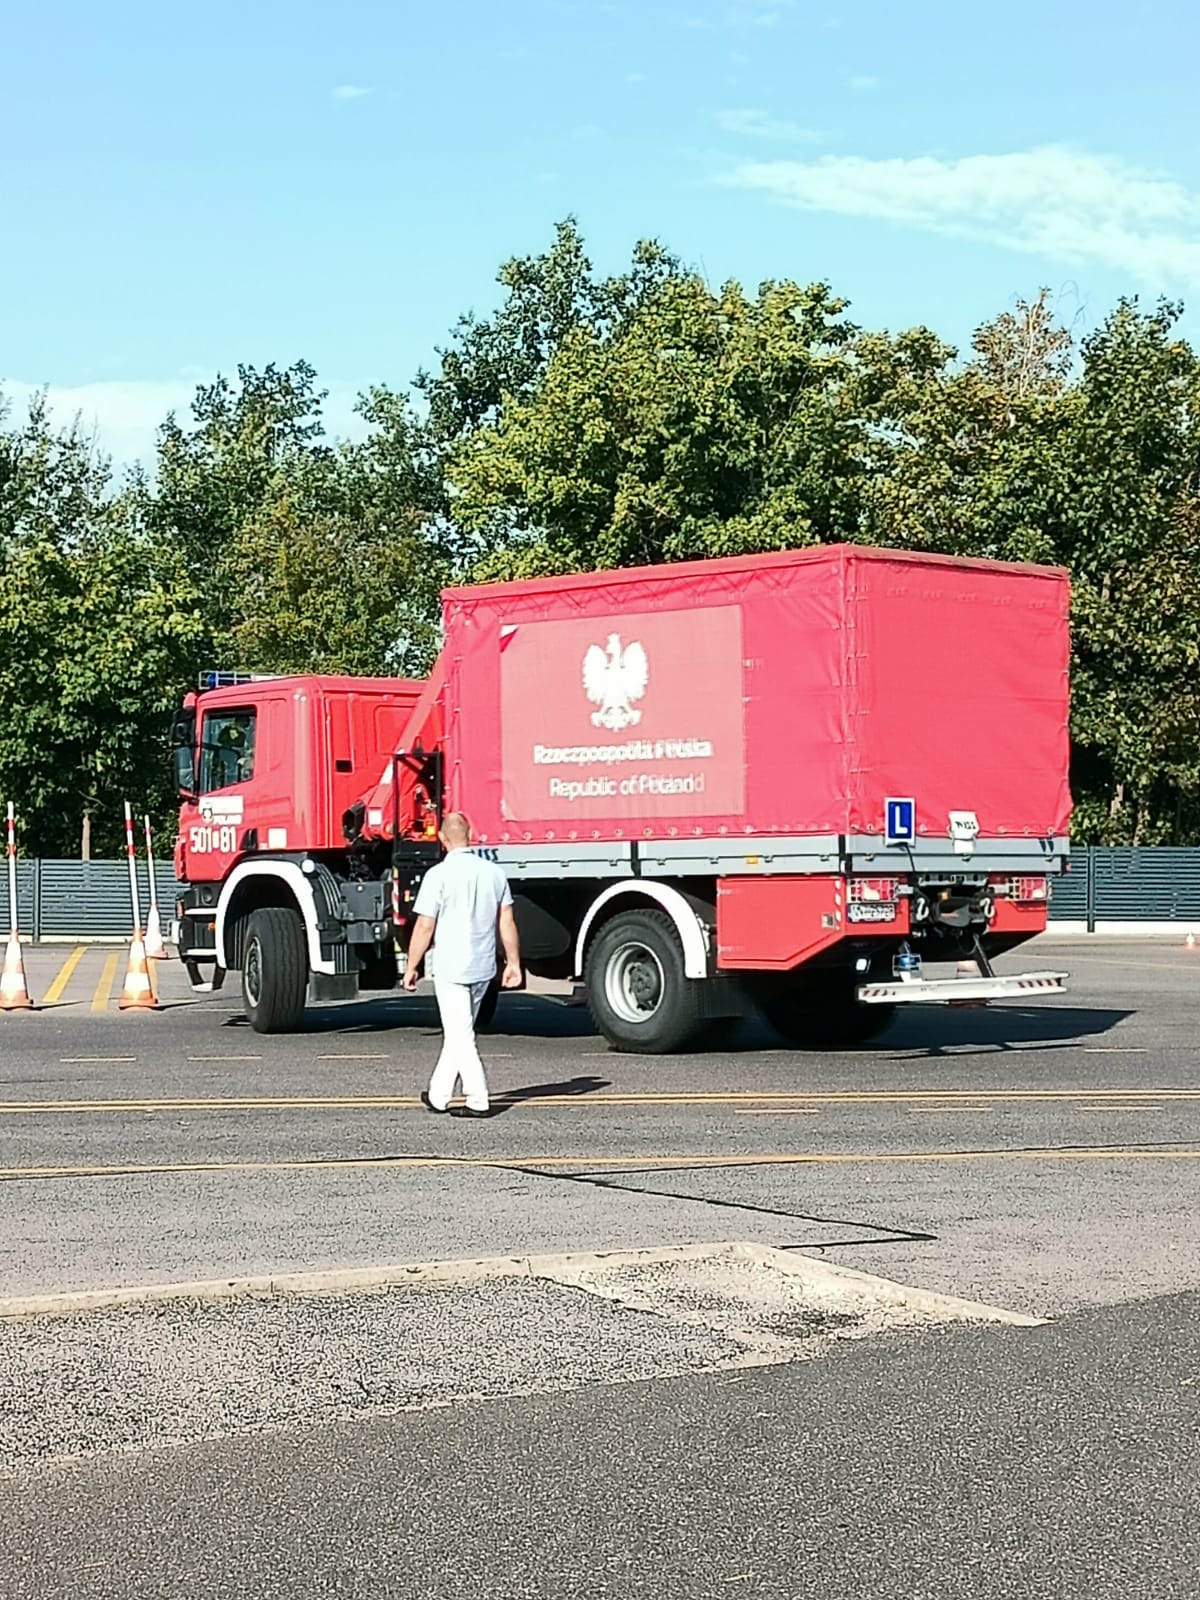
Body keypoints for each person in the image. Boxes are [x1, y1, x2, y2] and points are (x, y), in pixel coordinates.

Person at [402, 812, 522, 1118]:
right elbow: (506, 921)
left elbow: (425, 926)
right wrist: (513, 962)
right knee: (459, 1032)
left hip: (451, 967)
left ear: (441, 839)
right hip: (483, 966)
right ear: (471, 833)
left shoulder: (437, 875)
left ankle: (478, 1098)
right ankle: (439, 1094)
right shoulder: (494, 873)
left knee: (460, 1036)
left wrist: (412, 965)